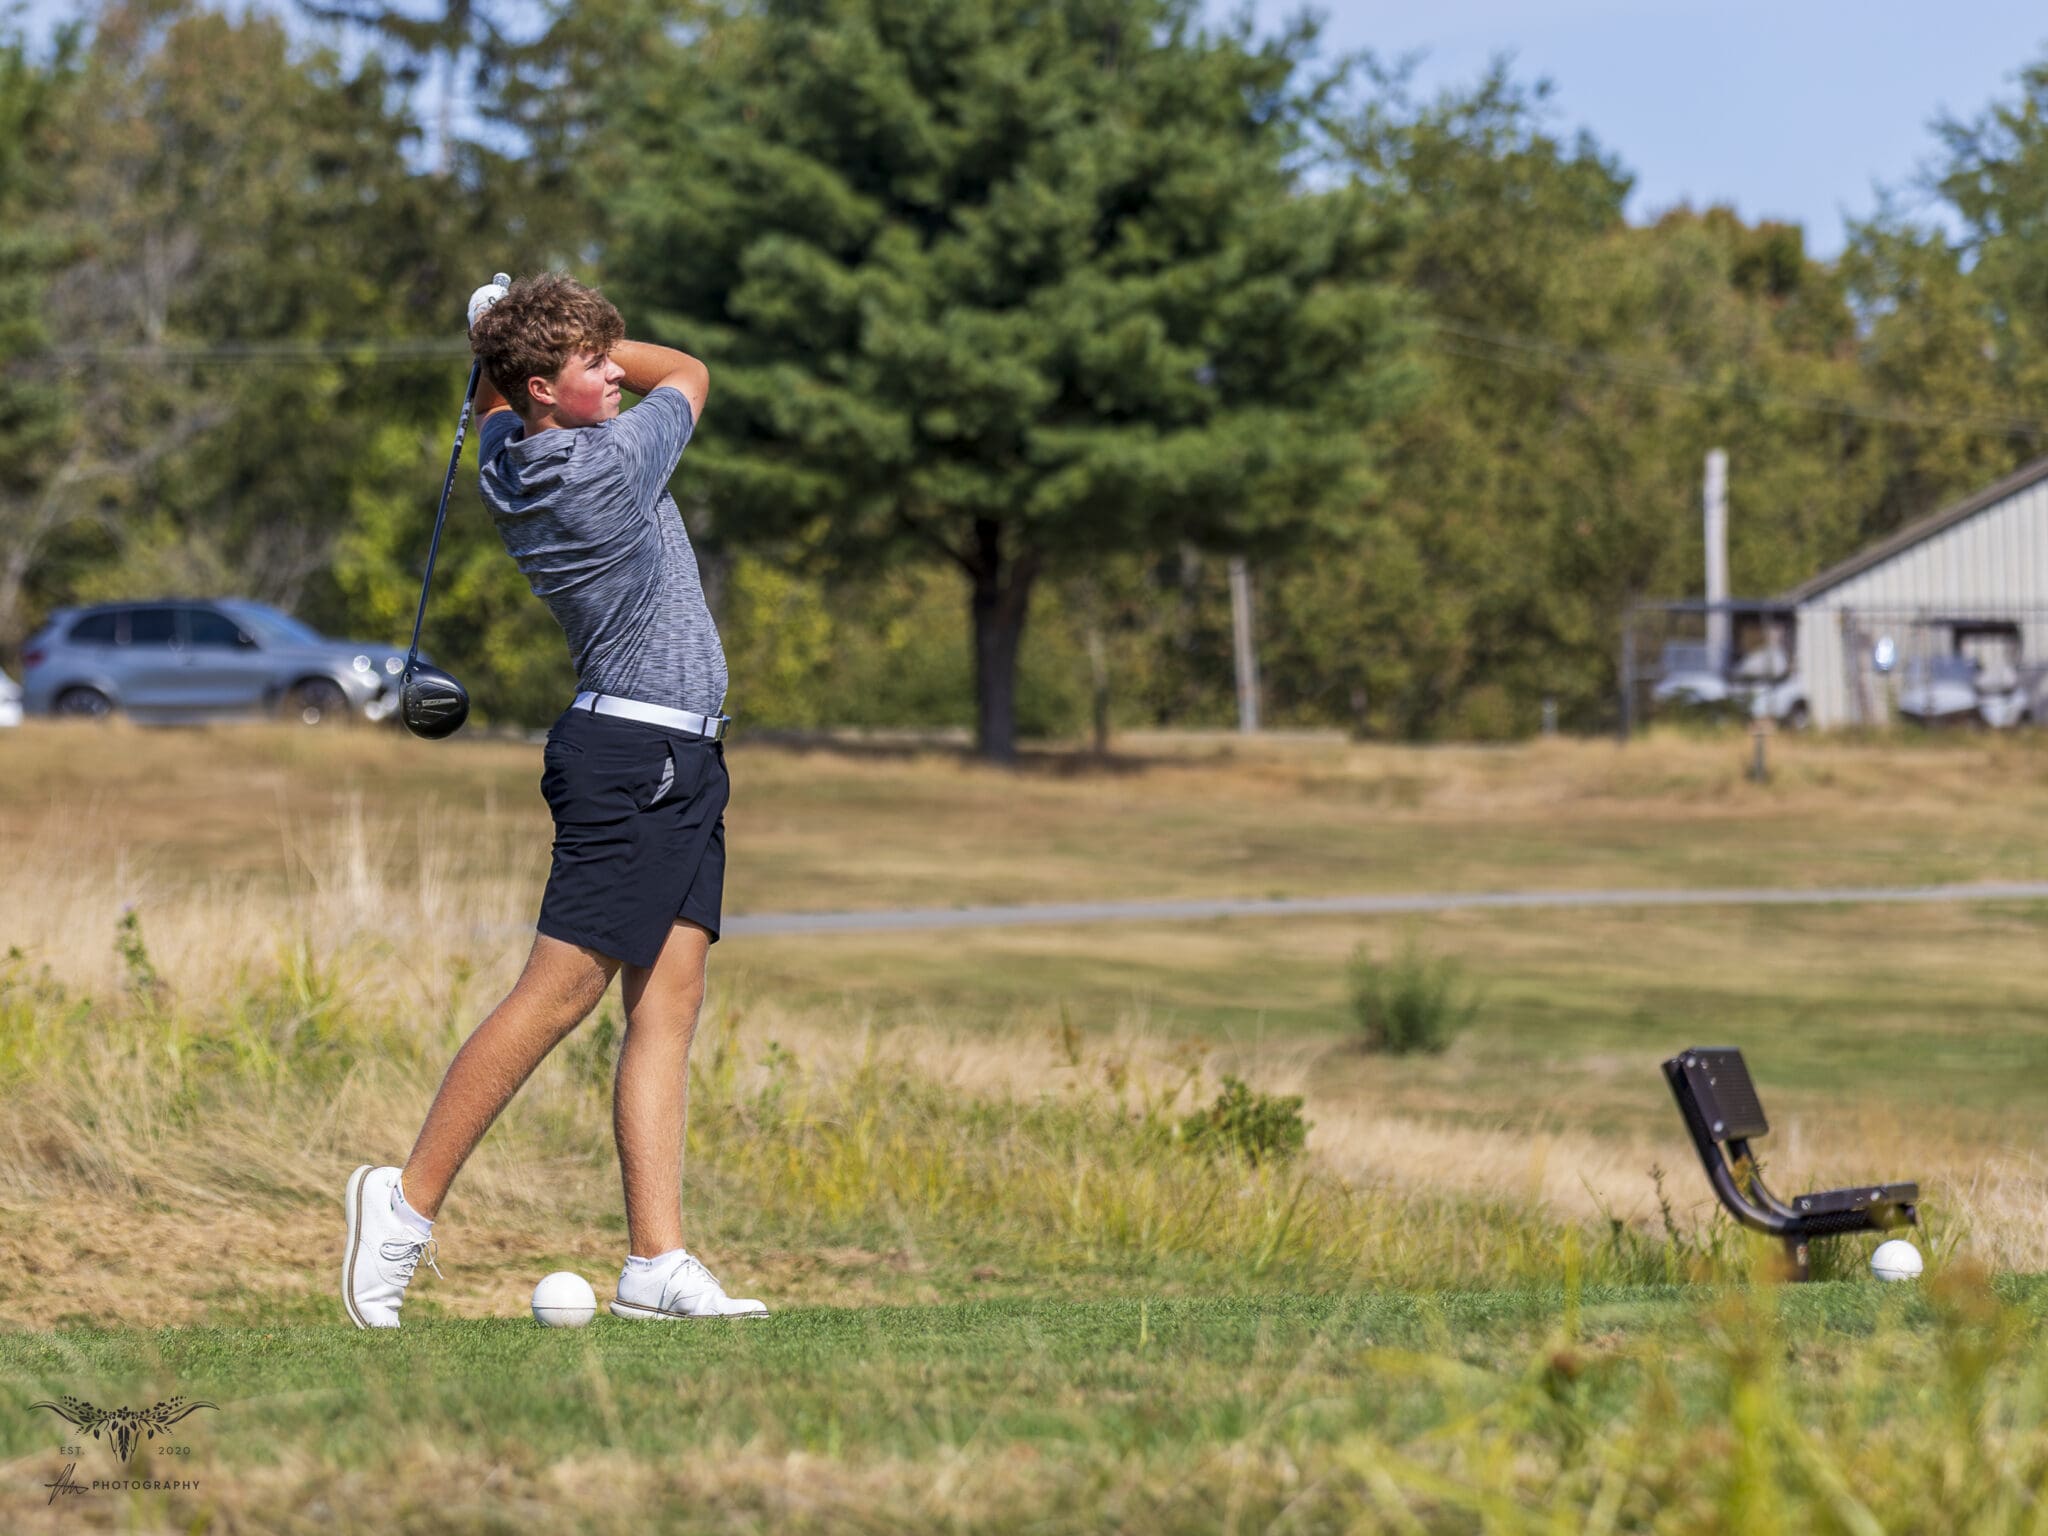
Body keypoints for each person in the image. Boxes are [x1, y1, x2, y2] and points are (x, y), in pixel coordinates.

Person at [341, 272, 765, 1327]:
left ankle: (656, 1260)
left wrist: (503, 340)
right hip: (636, 759)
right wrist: (513, 333)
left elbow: (495, 405)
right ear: (541, 387)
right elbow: (690, 371)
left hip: (672, 758)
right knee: (558, 994)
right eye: (592, 362)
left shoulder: (504, 455)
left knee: (667, 1002)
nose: (616, 372)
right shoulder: (608, 463)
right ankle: (403, 1204)